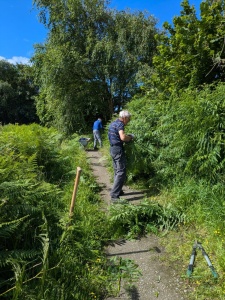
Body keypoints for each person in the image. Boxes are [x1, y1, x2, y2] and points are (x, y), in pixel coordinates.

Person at [108, 110, 134, 202]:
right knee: (121, 172)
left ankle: (118, 190)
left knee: (116, 171)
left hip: (112, 149)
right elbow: (122, 137)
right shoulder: (120, 124)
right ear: (124, 118)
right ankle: (114, 196)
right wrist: (130, 137)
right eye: (128, 119)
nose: (129, 121)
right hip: (118, 149)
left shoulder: (113, 123)